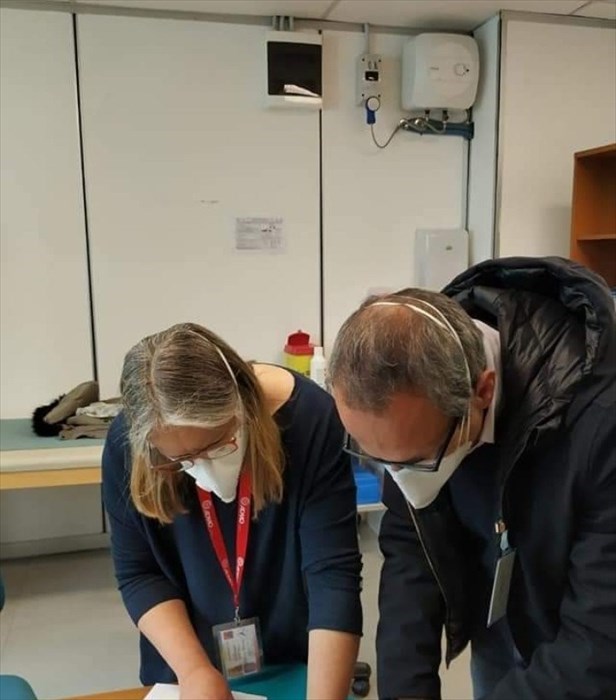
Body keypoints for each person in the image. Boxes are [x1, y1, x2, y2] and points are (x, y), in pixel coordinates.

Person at [327, 257, 616, 700]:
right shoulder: (409, 414)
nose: (399, 478)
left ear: (482, 391)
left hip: (586, 643)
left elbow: (598, 640)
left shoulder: (600, 422)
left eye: (415, 461)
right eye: (377, 458)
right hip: (501, 628)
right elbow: (411, 549)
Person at [102, 322, 362, 700]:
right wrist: (193, 671)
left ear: (243, 405)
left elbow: (332, 575)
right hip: (183, 665)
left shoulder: (311, 422)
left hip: (296, 657)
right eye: (183, 460)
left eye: (217, 445)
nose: (202, 467)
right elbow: (140, 573)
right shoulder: (132, 444)